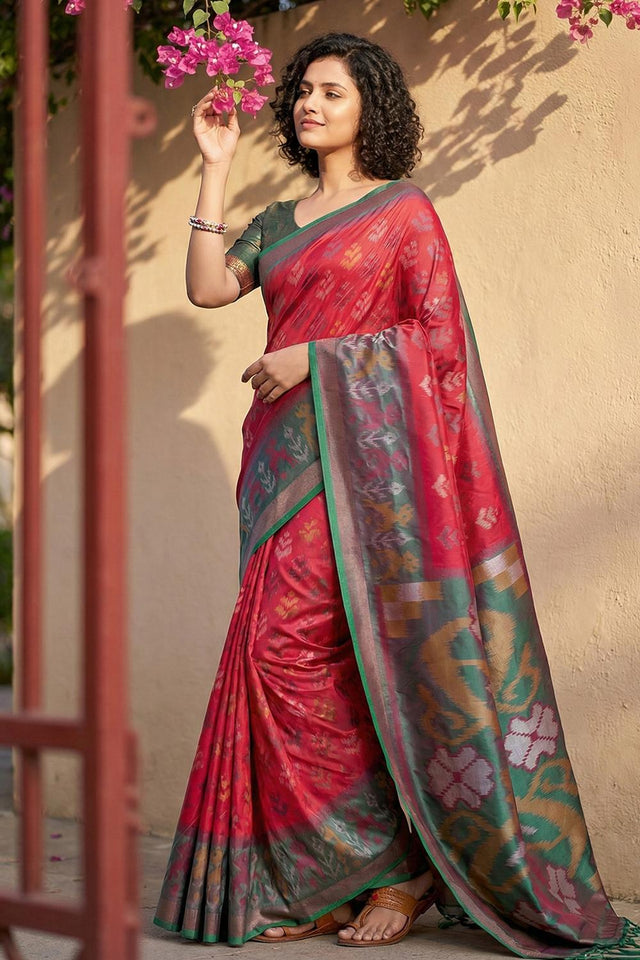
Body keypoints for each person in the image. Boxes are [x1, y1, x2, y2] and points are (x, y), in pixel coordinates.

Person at [154, 32, 638, 957]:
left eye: (332, 92)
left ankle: (396, 872)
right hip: (282, 468)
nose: (310, 104)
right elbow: (211, 288)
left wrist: (317, 359)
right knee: (280, 653)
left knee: (345, 655)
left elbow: (439, 340)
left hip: (376, 478)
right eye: (302, 91)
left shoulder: (404, 213)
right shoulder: (283, 215)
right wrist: (213, 172)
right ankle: (335, 871)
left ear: (370, 105)